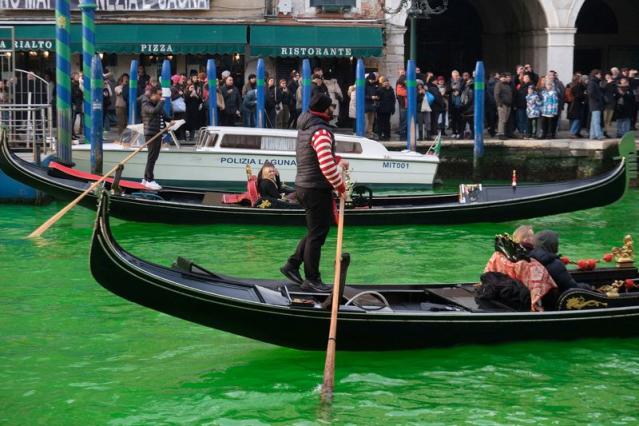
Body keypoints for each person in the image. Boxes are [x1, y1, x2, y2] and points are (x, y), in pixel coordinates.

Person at [280, 94, 349, 292]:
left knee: (315, 231)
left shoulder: (307, 128)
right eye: (332, 106)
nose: (333, 109)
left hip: (305, 186)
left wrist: (337, 159)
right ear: (325, 109)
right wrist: (340, 186)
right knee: (317, 235)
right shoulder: (321, 131)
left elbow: (316, 155)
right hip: (315, 188)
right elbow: (325, 165)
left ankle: (292, 265)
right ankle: (312, 280)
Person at [484, 225, 557, 311]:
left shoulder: (505, 253)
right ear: (521, 238)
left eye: (531, 236)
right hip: (523, 293)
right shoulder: (531, 256)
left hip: (510, 287)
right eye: (527, 236)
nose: (531, 238)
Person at [141, 87, 167, 190]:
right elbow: (153, 112)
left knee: (153, 157)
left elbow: (165, 116)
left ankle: (145, 179)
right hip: (151, 134)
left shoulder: (156, 104)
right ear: (153, 95)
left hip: (157, 133)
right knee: (152, 157)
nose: (160, 97)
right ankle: (149, 180)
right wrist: (161, 102)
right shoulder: (145, 103)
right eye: (159, 95)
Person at [375, 76, 395, 141]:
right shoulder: (379, 89)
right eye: (385, 82)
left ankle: (387, 135)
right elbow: (377, 97)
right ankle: (380, 135)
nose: (386, 84)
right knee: (380, 123)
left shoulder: (391, 90)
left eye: (387, 82)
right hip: (380, 109)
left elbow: (393, 100)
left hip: (388, 109)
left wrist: (392, 109)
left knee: (387, 123)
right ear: (382, 83)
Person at [494, 72, 513, 140]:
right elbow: (496, 95)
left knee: (505, 120)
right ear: (500, 78)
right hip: (502, 105)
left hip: (508, 105)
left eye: (505, 77)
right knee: (502, 120)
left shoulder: (507, 85)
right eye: (503, 77)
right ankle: (501, 134)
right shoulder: (498, 84)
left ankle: (504, 133)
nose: (504, 78)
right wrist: (499, 104)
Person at [587, 69, 605, 140]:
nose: (600, 76)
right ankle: (598, 135)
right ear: (596, 74)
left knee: (594, 120)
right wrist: (598, 98)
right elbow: (590, 93)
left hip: (595, 104)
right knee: (597, 120)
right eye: (599, 74)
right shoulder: (592, 83)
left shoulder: (595, 82)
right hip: (595, 104)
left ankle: (592, 135)